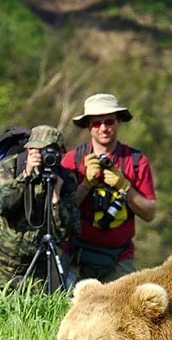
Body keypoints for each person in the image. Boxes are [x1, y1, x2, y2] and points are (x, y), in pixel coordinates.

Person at [60, 93, 157, 282]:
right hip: (75, 254)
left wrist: (125, 186)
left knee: (124, 309)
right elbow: (60, 213)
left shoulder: (136, 161)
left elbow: (150, 213)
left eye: (109, 121)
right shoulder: (73, 160)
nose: (103, 128)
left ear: (119, 122)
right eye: (97, 123)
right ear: (88, 126)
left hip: (119, 257)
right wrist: (85, 185)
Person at [0, 125, 80, 294]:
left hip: (39, 269)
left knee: (35, 316)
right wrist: (25, 176)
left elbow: (68, 232)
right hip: (3, 265)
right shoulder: (11, 167)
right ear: (29, 150)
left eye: (51, 151)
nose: (46, 156)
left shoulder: (64, 179)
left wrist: (56, 198)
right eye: (40, 150)